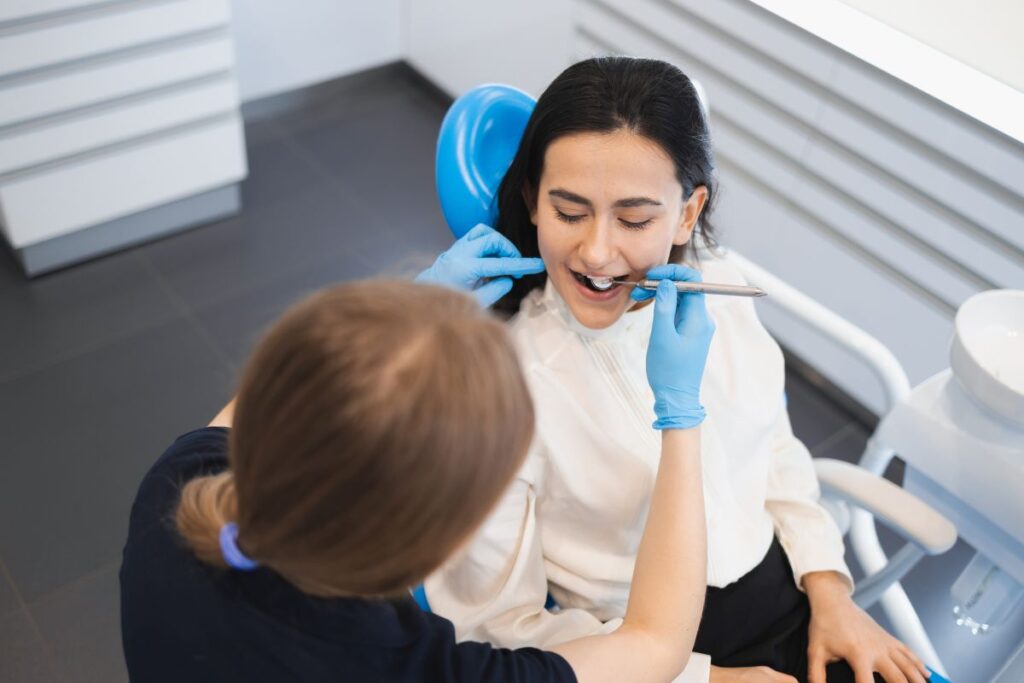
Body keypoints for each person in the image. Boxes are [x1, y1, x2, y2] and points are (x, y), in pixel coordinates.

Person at [424, 57, 931, 683]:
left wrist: (831, 590)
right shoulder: (495, 384)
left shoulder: (717, 289)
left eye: (635, 219)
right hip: (624, 652)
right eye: (569, 212)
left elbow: (773, 445)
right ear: (531, 200)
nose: (598, 252)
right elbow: (497, 629)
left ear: (688, 214)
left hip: (791, 595)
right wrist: (709, 679)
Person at [119, 226, 715, 682]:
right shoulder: (407, 667)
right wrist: (681, 415)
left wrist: (405, 323)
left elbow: (266, 403)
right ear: (435, 552)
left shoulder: (175, 489)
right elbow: (655, 645)